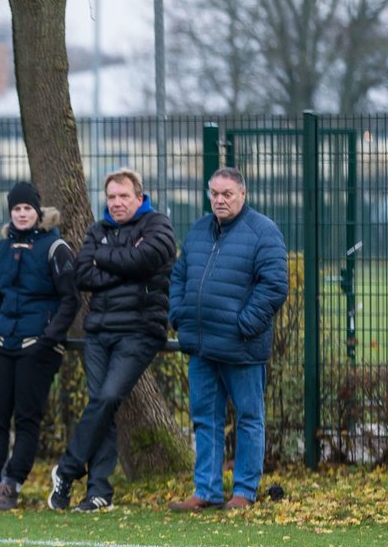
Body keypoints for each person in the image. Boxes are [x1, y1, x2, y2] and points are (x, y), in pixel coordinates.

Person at [48, 168, 177, 512]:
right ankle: (98, 491)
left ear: (139, 197)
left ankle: (67, 469)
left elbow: (147, 260)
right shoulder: (97, 229)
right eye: (111, 197)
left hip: (139, 332)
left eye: (124, 196)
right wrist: (126, 269)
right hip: (99, 333)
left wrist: (105, 259)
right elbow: (82, 273)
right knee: (101, 404)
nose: (117, 203)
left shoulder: (158, 225)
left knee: (106, 398)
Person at [168, 167, 289, 511]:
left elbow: (274, 286)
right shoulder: (198, 230)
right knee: (206, 419)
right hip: (202, 348)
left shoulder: (263, 231)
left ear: (242, 195)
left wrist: (244, 324)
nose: (219, 200)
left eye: (227, 194)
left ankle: (244, 492)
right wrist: (178, 315)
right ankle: (205, 490)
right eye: (214, 194)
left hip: (242, 347)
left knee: (249, 419)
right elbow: (179, 276)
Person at [0, 181, 80, 512]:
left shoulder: (56, 248)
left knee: (27, 419)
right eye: (16, 209)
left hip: (36, 348)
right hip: (2, 343)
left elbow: (70, 299)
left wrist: (48, 339)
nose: (22, 213)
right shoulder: (2, 248)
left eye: (27, 208)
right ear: (10, 212)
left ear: (38, 211)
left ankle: (11, 485)